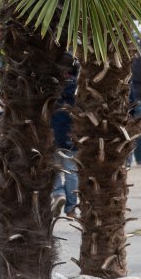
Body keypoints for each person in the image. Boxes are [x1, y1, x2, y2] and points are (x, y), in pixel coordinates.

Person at [51, 54, 79, 219]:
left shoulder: (54, 87)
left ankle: (58, 193)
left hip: (53, 130)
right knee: (71, 171)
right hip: (72, 132)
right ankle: (71, 209)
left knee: (54, 166)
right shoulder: (78, 88)